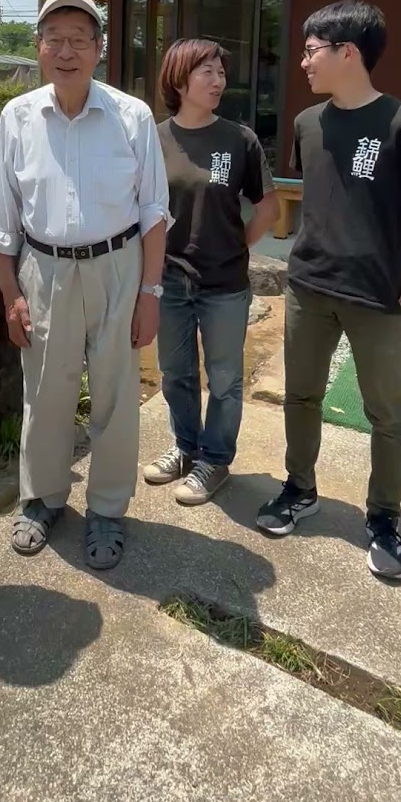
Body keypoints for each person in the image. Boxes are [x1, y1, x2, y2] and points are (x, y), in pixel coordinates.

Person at [256, 1, 401, 581]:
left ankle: (384, 517)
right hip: (308, 286)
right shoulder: (309, 123)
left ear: (348, 53)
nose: (303, 62)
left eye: (312, 50)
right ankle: (299, 488)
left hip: (377, 295)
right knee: (301, 397)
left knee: (387, 414)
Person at [0, 0, 169, 571]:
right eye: (54, 38)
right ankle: (42, 499)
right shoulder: (17, 117)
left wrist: (151, 294)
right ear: (38, 48)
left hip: (119, 265)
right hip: (43, 268)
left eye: (79, 39)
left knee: (115, 392)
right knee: (45, 389)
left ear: (99, 49)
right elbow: (1, 219)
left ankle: (109, 510)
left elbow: (154, 212)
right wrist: (11, 294)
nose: (66, 50)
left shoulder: (131, 116)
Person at [144, 39, 279, 502]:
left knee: (224, 378)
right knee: (175, 372)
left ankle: (215, 460)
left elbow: (268, 208)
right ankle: (185, 447)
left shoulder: (239, 139)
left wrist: (238, 244)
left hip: (224, 282)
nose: (219, 80)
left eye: (221, 72)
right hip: (169, 279)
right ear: (179, 78)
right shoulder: (153, 138)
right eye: (208, 71)